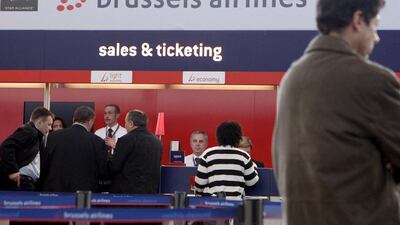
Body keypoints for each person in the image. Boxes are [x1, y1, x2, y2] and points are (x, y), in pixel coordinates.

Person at [272, 0, 400, 224]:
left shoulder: (293, 78)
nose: (377, 37)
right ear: (358, 20)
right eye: (375, 26)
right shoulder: (370, 79)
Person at [42, 106, 108, 192]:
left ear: (74, 119)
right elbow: (103, 171)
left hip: (56, 191)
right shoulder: (97, 142)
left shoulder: (53, 137)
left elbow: (44, 165)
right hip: (84, 195)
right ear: (90, 121)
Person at [195, 121, 259, 200]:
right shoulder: (243, 156)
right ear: (238, 137)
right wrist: (254, 167)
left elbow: (199, 184)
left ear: (218, 136)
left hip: (213, 203)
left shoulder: (208, 154)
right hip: (235, 204)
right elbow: (251, 182)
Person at [109, 109, 162, 194]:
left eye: (125, 122)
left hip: (127, 194)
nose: (125, 125)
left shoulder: (126, 140)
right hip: (150, 193)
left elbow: (114, 166)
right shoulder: (157, 141)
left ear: (131, 123)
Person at [0, 106, 53, 191]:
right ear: (39, 123)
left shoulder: (36, 136)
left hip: (26, 182)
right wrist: (12, 170)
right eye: (49, 124)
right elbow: (6, 146)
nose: (50, 128)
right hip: (20, 182)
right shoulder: (30, 132)